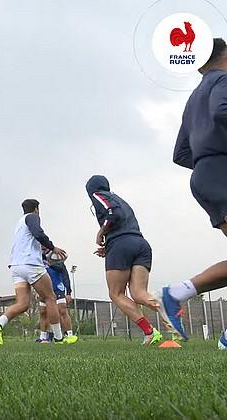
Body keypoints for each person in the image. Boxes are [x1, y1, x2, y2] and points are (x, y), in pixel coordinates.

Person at [157, 38, 227, 349]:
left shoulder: (194, 96)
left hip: (205, 175)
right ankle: (176, 292)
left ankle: (179, 292)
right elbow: (223, 111)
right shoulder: (224, 81)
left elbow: (180, 153)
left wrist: (207, 161)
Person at [86, 175, 162, 346]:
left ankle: (150, 332)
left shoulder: (98, 195)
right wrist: (109, 247)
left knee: (116, 293)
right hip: (140, 243)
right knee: (139, 294)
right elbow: (123, 221)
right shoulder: (121, 199)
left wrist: (101, 233)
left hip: (121, 245)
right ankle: (169, 308)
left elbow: (114, 214)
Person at [0, 199, 72, 345]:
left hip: (16, 266)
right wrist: (53, 248)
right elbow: (38, 233)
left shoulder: (19, 224)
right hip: (30, 264)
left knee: (23, 304)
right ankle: (59, 338)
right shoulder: (32, 217)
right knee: (50, 298)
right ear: (36, 209)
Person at [36, 248, 77, 344]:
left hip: (58, 288)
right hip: (44, 289)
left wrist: (68, 292)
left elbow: (65, 275)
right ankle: (43, 337)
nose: (43, 247)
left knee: (62, 311)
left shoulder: (55, 258)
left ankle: (69, 335)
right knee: (43, 312)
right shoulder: (38, 260)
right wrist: (37, 290)